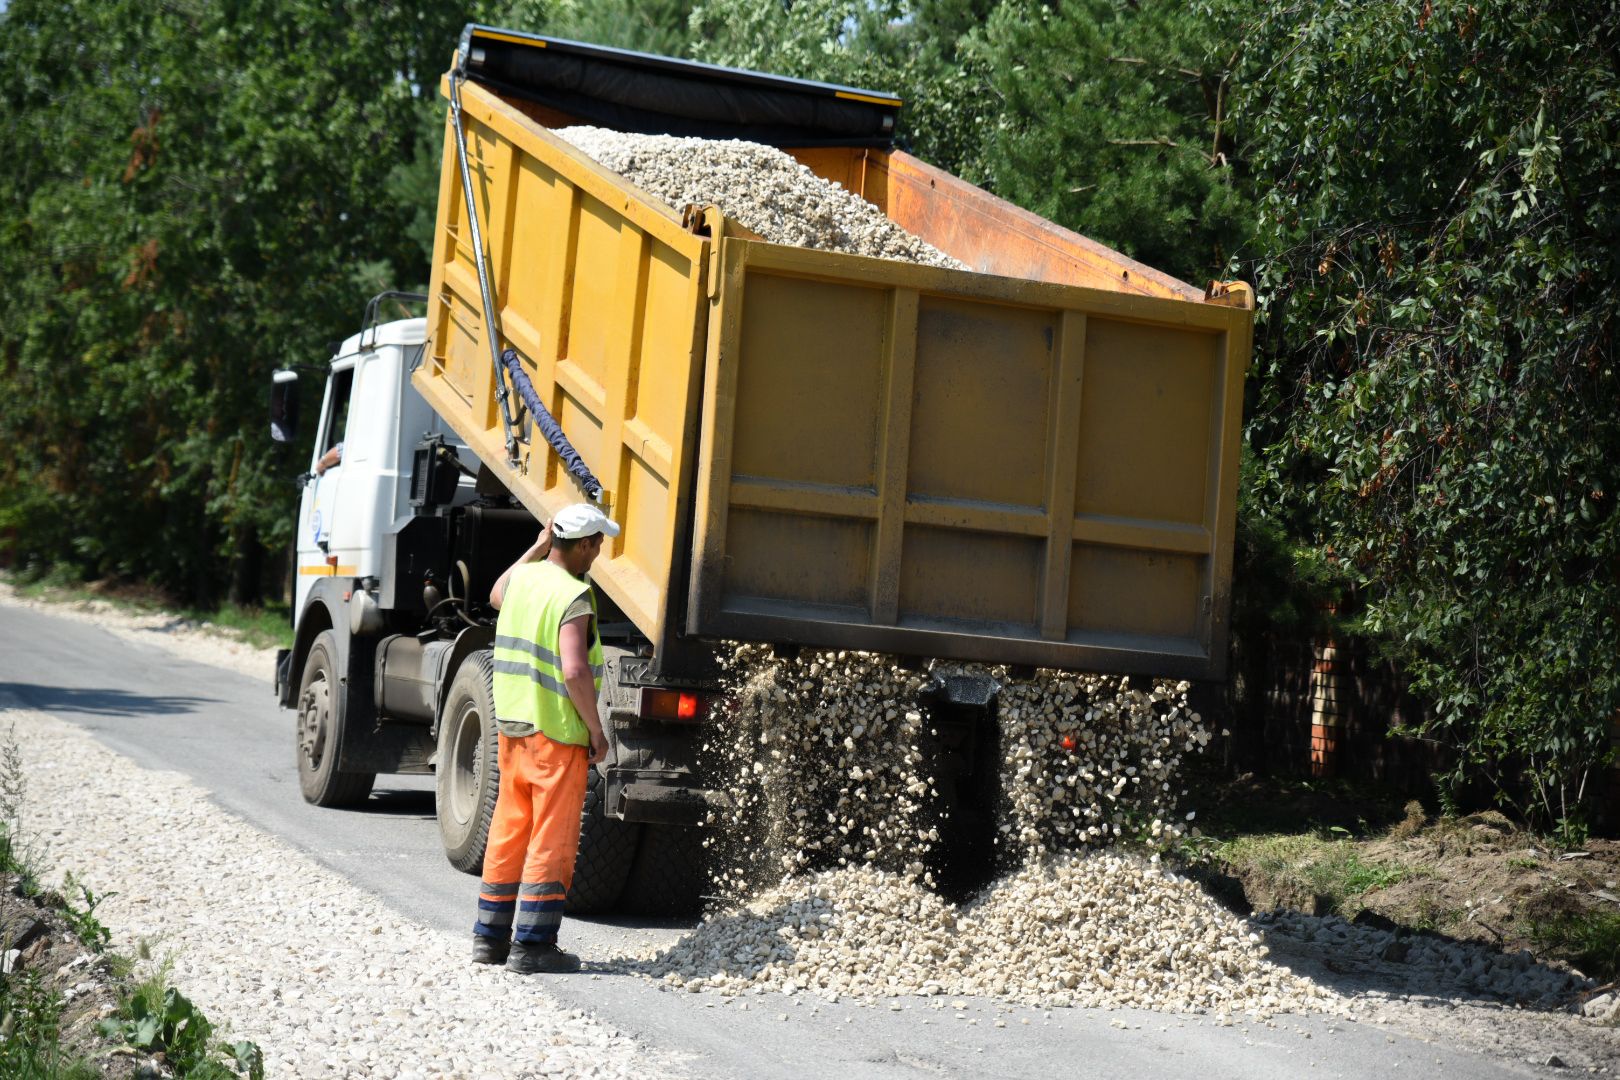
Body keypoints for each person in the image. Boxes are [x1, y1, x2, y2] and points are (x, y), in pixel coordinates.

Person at [472, 502, 618, 974]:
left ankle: (489, 939)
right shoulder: (574, 595)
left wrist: (536, 548)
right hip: (555, 735)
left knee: (509, 832)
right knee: (551, 840)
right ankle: (532, 946)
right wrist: (596, 731)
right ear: (582, 545)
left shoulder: (524, 579)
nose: (599, 552)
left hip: (513, 730)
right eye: (597, 543)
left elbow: (495, 593)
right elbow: (574, 669)